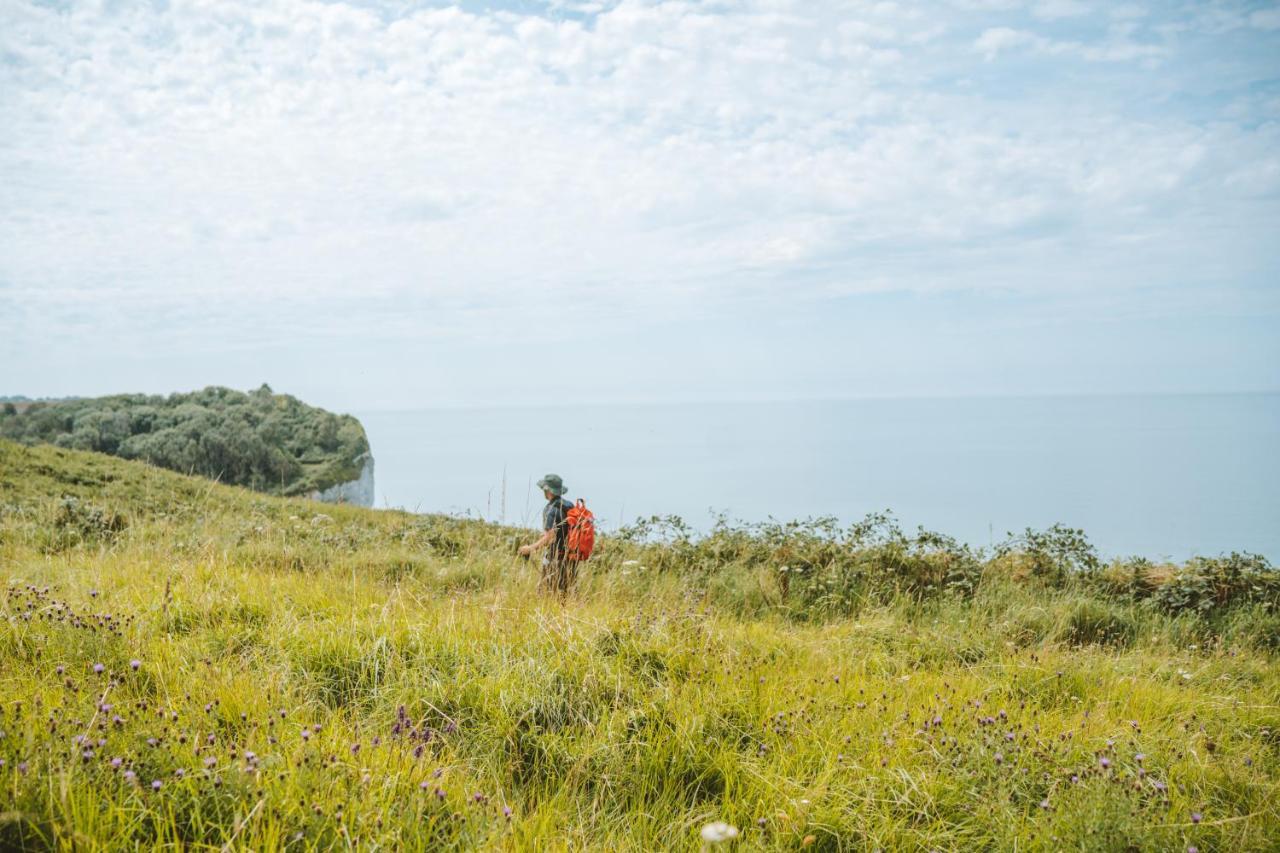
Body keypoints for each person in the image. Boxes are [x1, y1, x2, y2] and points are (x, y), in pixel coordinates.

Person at [519, 473, 578, 597]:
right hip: (572, 557)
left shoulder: (550, 509)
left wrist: (530, 548)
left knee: (545, 595)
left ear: (547, 490)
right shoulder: (569, 505)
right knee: (566, 596)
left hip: (555, 559)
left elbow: (551, 537)